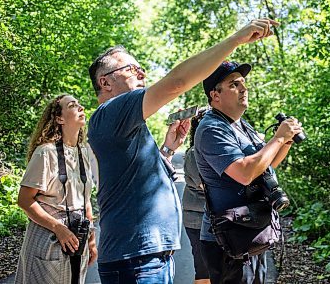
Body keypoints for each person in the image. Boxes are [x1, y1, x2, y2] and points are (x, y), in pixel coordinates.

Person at [87, 18, 279, 284]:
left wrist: (168, 148)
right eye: (132, 69)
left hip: (151, 257)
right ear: (105, 82)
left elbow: (136, 181)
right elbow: (177, 82)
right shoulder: (111, 111)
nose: (143, 74)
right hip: (134, 260)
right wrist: (236, 39)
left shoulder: (125, 124)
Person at [194, 61, 303, 283]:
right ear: (215, 95)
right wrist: (278, 137)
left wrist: (286, 141)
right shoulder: (212, 129)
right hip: (228, 240)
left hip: (252, 230)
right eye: (234, 84)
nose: (244, 89)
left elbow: (264, 168)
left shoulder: (241, 125)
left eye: (243, 83)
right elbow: (245, 174)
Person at [15, 94, 97, 284]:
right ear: (59, 118)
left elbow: (85, 201)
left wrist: (91, 239)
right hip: (48, 236)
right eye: (72, 105)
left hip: (78, 236)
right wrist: (58, 228)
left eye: (79, 103)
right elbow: (25, 200)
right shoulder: (46, 152)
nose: (80, 107)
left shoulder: (83, 151)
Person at [183, 112, 210, 284]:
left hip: (218, 220)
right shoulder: (194, 154)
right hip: (198, 221)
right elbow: (209, 187)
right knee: (204, 271)